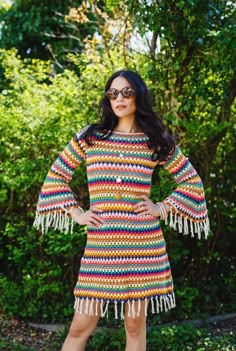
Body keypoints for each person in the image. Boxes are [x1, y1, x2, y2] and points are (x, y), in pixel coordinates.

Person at [34, 70, 210, 351]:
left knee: (134, 326)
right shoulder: (90, 137)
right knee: (80, 326)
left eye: (127, 92)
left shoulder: (155, 140)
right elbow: (56, 176)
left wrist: (161, 207)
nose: (119, 98)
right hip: (101, 246)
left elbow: (192, 182)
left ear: (138, 95)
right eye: (113, 93)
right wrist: (77, 213)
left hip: (142, 245)